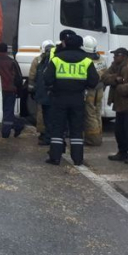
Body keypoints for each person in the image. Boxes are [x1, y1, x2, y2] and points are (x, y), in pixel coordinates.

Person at [43, 34, 99, 165]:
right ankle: (78, 159)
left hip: (59, 98)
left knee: (57, 128)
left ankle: (55, 157)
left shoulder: (57, 59)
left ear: (66, 44)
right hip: (78, 99)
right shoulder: (86, 60)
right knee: (76, 129)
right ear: (80, 45)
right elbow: (93, 81)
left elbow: (47, 79)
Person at [101, 47, 128, 163]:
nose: (115, 57)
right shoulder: (114, 66)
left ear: (124, 56)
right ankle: (122, 152)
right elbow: (104, 77)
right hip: (119, 104)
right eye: (114, 55)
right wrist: (116, 79)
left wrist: (121, 88)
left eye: (117, 55)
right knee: (119, 130)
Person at [0, 42, 25, 138]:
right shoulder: (13, 62)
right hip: (10, 90)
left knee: (3, 112)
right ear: (7, 50)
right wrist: (19, 91)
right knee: (8, 111)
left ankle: (6, 133)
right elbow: (19, 78)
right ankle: (17, 125)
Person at [28, 40, 55, 145]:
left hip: (42, 91)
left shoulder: (38, 60)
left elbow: (32, 75)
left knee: (41, 113)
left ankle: (44, 134)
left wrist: (31, 90)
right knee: (52, 113)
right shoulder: (56, 59)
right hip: (53, 92)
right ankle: (51, 134)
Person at [82, 35, 107, 146]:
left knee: (90, 114)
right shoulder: (101, 59)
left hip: (90, 91)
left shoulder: (86, 61)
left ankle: (93, 139)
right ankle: (98, 136)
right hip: (100, 90)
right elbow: (105, 75)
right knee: (97, 113)